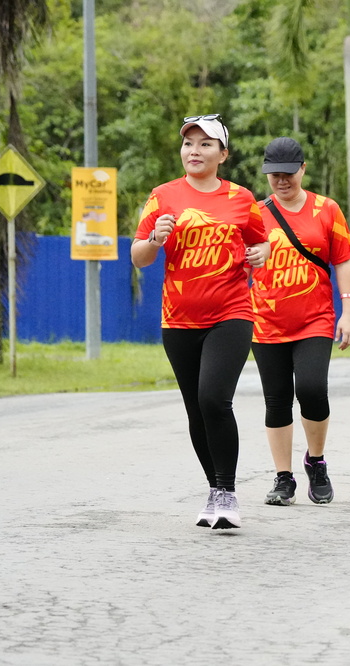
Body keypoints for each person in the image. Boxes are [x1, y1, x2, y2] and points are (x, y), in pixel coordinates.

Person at [131, 114, 270, 530]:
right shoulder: (162, 196)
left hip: (231, 312)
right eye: (189, 143)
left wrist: (261, 254)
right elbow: (138, 257)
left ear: (222, 155)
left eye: (205, 144)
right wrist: (154, 238)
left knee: (214, 399)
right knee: (195, 409)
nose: (194, 151)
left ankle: (227, 491)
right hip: (178, 319)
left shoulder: (241, 198)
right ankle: (214, 489)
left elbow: (260, 242)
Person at [250, 137, 350, 506]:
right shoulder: (255, 213)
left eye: (288, 173)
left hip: (315, 319)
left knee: (311, 389)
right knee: (277, 399)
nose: (282, 180)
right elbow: (238, 262)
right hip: (265, 320)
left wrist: (348, 312)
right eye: (274, 174)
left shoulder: (327, 210)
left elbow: (343, 261)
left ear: (303, 169)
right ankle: (283, 478)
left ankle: (316, 460)